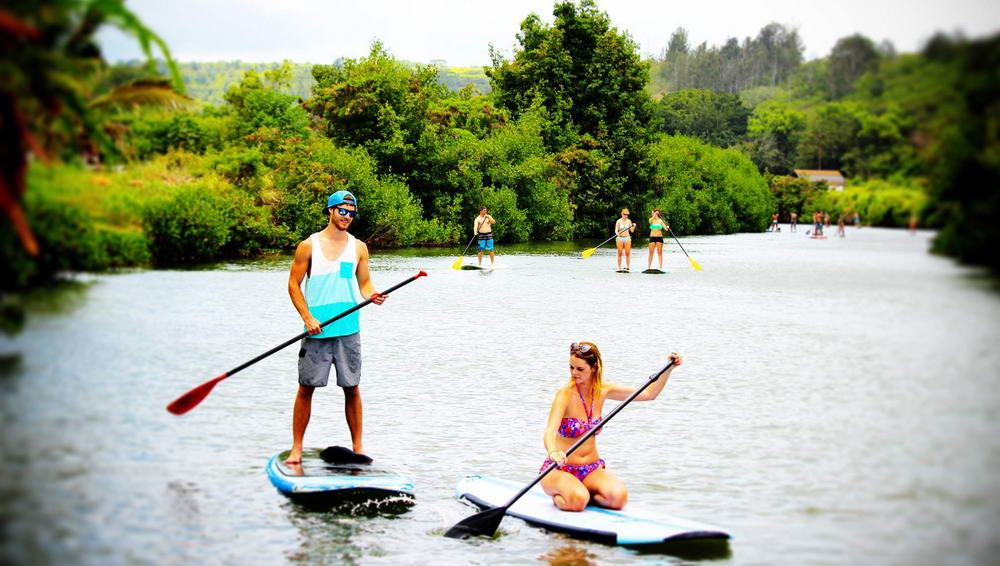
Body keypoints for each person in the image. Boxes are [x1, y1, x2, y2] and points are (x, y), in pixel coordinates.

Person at [285, 190, 386, 465]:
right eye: (342, 211)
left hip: (348, 329)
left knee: (352, 387)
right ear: (329, 211)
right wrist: (307, 318)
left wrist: (373, 295)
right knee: (306, 387)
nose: (347, 217)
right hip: (317, 331)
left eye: (351, 213)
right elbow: (293, 284)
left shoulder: (359, 248)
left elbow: (364, 284)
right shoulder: (308, 246)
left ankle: (358, 447)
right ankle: (296, 448)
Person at [540, 342, 683, 511]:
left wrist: (668, 370)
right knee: (576, 502)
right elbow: (549, 432)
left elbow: (649, 394)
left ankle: (583, 494)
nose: (574, 373)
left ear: (594, 367)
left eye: (580, 369)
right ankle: (570, 496)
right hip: (560, 469)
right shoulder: (564, 394)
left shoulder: (604, 390)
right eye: (571, 367)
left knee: (618, 499)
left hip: (591, 469)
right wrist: (553, 452)